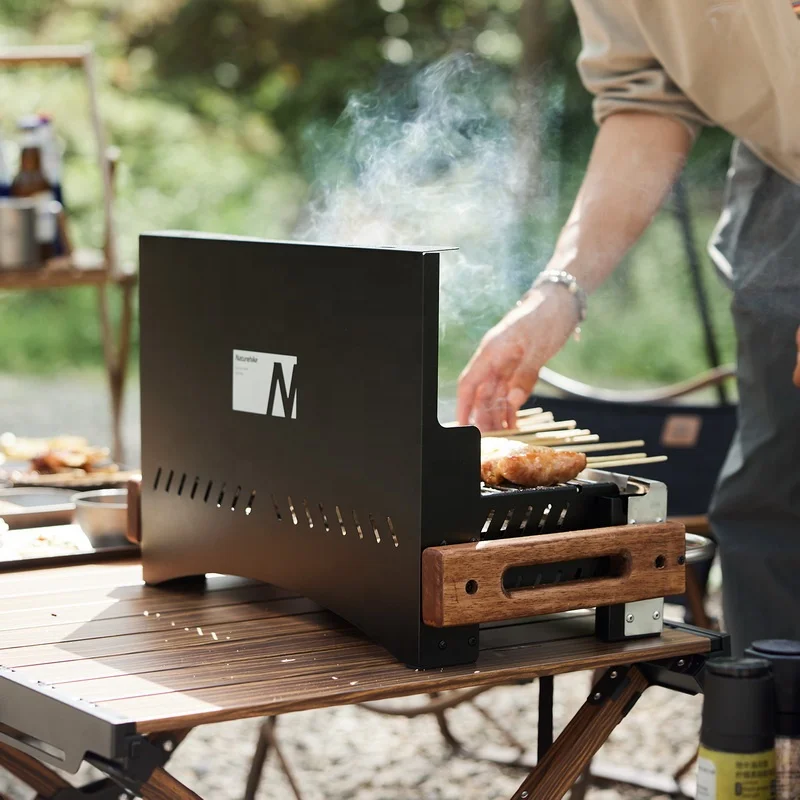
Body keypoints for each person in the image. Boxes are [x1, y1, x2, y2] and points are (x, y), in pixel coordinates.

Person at [456, 0, 800, 656]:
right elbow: (648, 103)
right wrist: (560, 292)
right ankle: (771, 742)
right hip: (786, 167)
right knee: (773, 505)